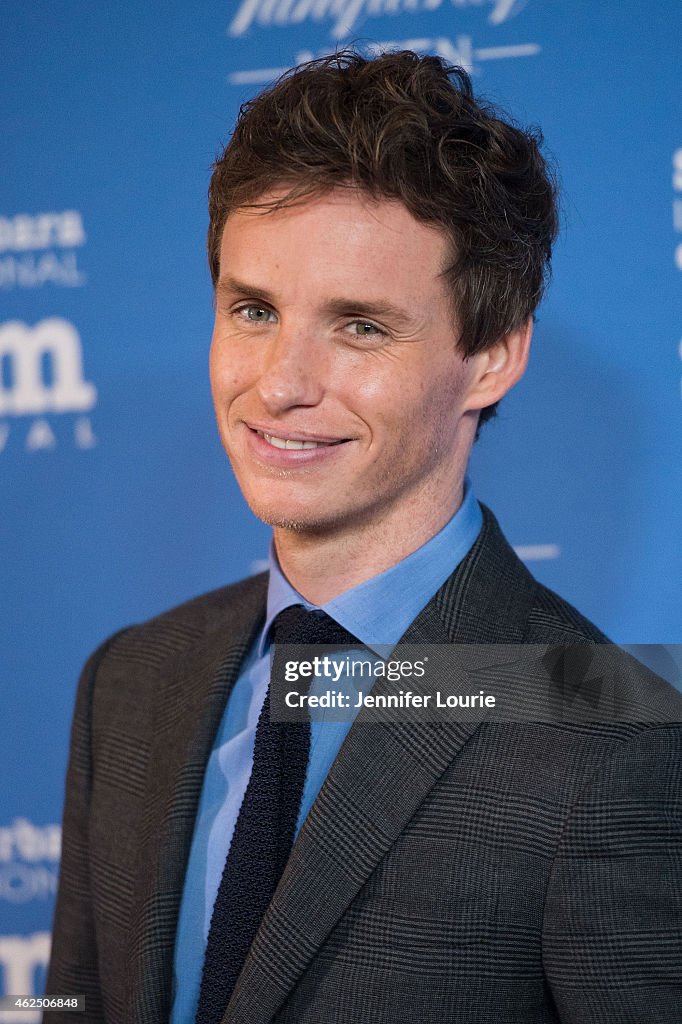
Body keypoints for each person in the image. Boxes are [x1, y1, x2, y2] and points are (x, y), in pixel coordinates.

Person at [45, 50, 681, 1023]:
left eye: (360, 327)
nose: (280, 382)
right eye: (253, 310)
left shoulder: (611, 741)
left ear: (491, 358)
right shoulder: (129, 684)